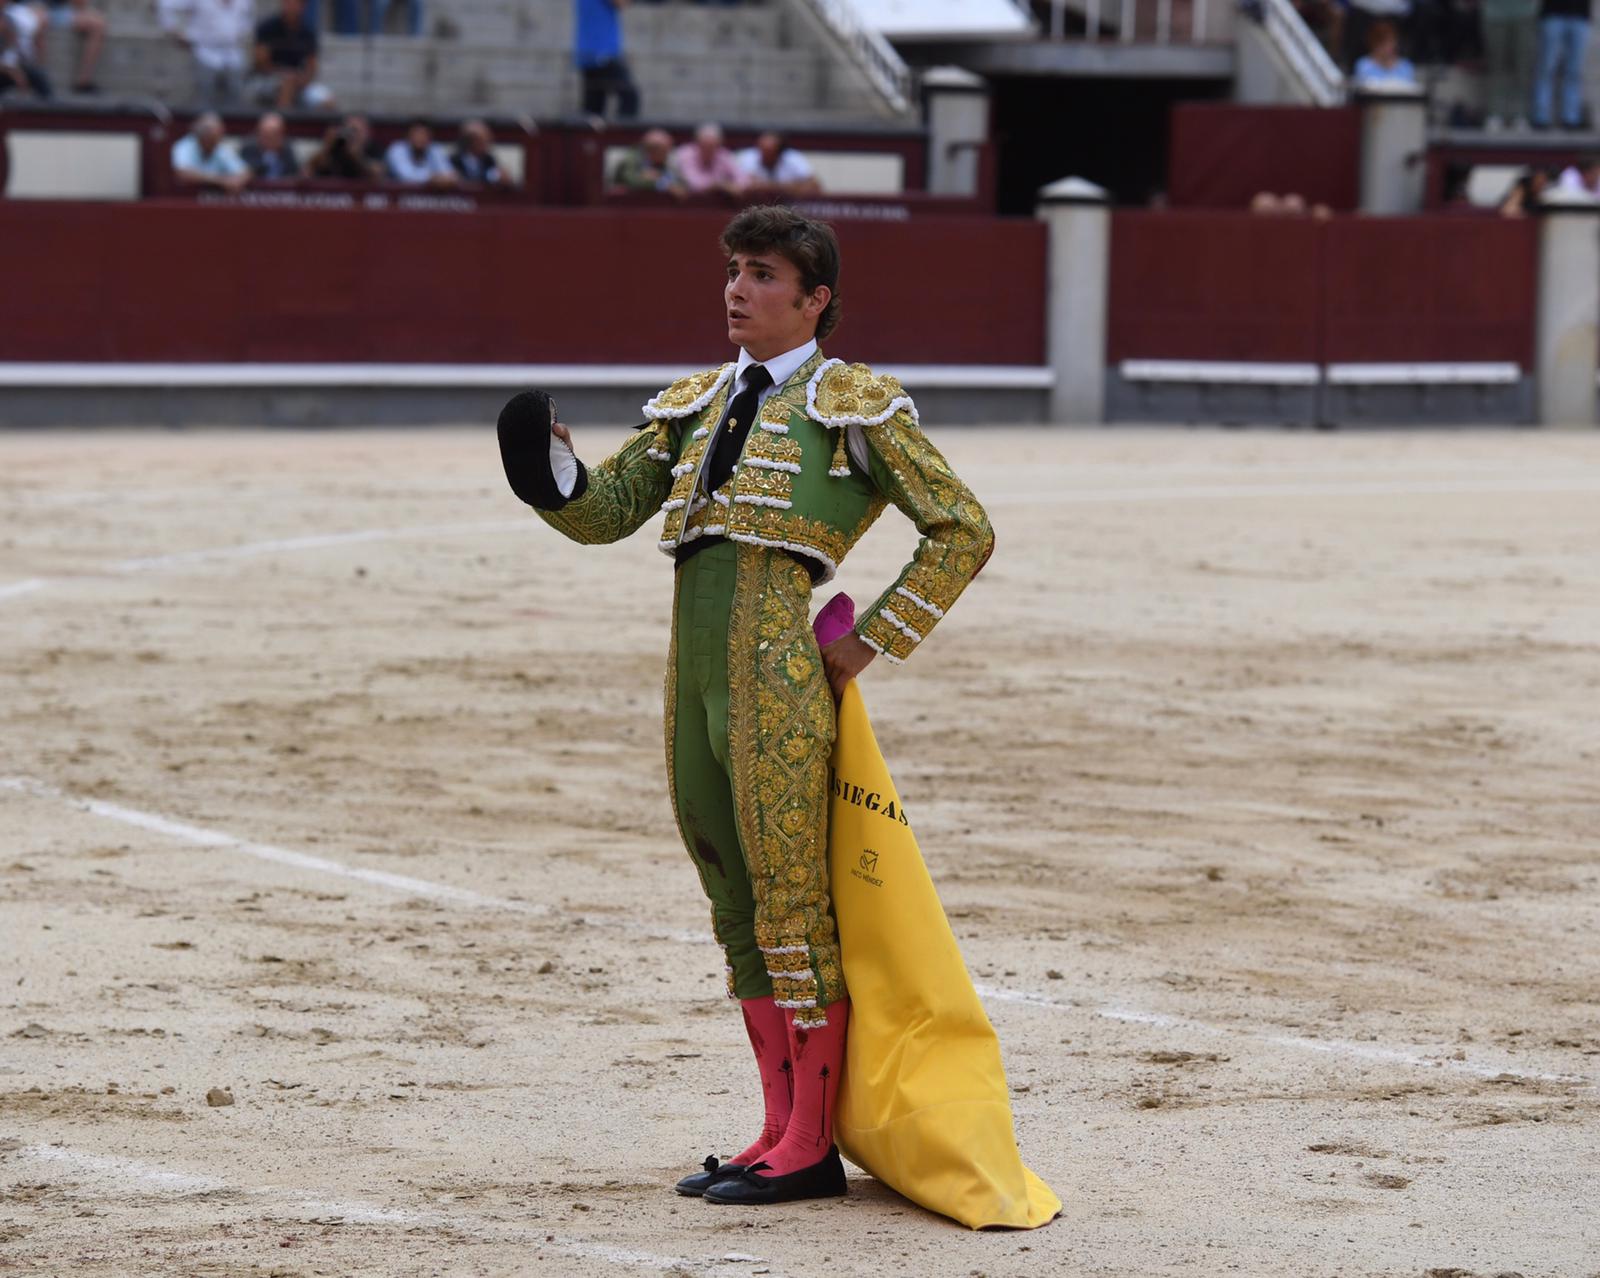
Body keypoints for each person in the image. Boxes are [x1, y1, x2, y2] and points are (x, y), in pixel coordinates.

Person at [495, 205, 994, 1206]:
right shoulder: (687, 405)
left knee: (791, 905)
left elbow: (962, 530)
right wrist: (549, 474)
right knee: (734, 902)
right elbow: (605, 516)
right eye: (732, 270)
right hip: (691, 683)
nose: (736, 289)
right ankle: (774, 1129)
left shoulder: (856, 406)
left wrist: (865, 640)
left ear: (815, 301)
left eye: (762, 274)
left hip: (775, 682)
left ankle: (810, 1145)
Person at [159, 0, 254, 110]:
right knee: (204, 96)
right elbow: (166, 5)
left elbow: (247, 19)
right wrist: (174, 30)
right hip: (204, 50)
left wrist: (240, 32)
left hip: (232, 52)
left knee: (236, 93)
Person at [250, 0, 334, 109]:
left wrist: (301, 80)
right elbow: (260, 64)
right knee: (287, 83)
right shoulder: (267, 28)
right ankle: (282, 122)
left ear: (303, 6)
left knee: (328, 101)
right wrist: (283, 74)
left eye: (296, 3)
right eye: (288, 2)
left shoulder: (308, 32)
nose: (292, 6)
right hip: (267, 80)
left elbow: (312, 67)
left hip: (299, 81)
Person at [1531, 0, 1590, 129]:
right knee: (1546, 68)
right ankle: (1541, 116)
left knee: (1574, 71)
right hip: (1553, 14)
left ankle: (1571, 118)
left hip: (1580, 14)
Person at [575, 0, 638, 118]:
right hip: (602, 53)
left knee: (593, 109)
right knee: (630, 96)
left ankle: (591, 136)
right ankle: (622, 135)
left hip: (589, 53)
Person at [1481, 0, 1538, 127]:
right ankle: (1495, 113)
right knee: (1496, 66)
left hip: (1525, 14)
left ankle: (1520, 114)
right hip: (1494, 14)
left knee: (1523, 67)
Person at [33, 0, 105, 93]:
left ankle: (83, 81)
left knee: (98, 23)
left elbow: (80, 5)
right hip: (34, 7)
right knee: (38, 20)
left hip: (61, 10)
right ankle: (38, 76)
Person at [171, 110, 249, 192]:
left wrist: (237, 181)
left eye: (219, 136)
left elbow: (245, 171)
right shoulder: (184, 146)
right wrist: (222, 181)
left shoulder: (220, 148)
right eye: (212, 137)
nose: (216, 141)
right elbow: (182, 173)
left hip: (214, 199)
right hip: (185, 196)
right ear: (202, 136)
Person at [735, 131, 819, 194]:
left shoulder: (793, 158)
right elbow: (741, 186)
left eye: (769, 151)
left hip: (789, 208)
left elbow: (814, 186)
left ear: (779, 152)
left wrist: (770, 186)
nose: (763, 154)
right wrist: (790, 186)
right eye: (761, 149)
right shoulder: (748, 157)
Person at [675, 122, 746, 195]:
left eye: (712, 146)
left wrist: (734, 187)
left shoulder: (724, 154)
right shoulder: (685, 154)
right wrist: (721, 185)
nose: (708, 150)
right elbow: (693, 184)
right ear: (696, 143)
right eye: (704, 146)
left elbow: (743, 180)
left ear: (719, 145)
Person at [384, 117, 457, 186]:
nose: (420, 137)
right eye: (416, 134)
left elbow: (449, 174)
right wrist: (432, 179)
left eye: (424, 134)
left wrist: (444, 179)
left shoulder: (435, 149)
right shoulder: (396, 149)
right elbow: (406, 176)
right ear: (408, 135)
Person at [309, 111, 381, 178]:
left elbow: (377, 174)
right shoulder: (336, 148)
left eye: (356, 131)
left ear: (367, 133)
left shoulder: (373, 148)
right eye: (349, 131)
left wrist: (357, 157)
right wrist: (328, 147)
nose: (353, 136)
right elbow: (306, 174)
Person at [608, 126, 681, 192]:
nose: (667, 155)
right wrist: (662, 183)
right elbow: (632, 181)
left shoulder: (663, 161)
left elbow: (678, 181)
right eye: (665, 152)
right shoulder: (631, 159)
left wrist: (658, 178)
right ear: (653, 151)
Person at [1, 4, 51, 97]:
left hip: (11, 68)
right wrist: (13, 73)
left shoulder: (9, 19)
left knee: (37, 75)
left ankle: (49, 107)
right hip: (5, 70)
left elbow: (9, 54)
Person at [239, 110, 300, 178]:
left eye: (274, 134)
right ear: (258, 133)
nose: (270, 139)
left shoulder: (287, 150)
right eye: (266, 135)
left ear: (282, 134)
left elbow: (294, 173)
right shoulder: (249, 149)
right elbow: (245, 172)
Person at [1352, 18, 1419, 80]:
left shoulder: (1406, 66)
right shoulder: (1363, 65)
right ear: (1373, 44)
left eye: (1390, 42)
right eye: (1382, 44)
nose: (1387, 48)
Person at [451, 118, 508, 186]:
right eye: (484, 141)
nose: (488, 144)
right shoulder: (454, 160)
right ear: (471, 142)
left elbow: (493, 177)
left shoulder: (488, 159)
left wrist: (501, 177)